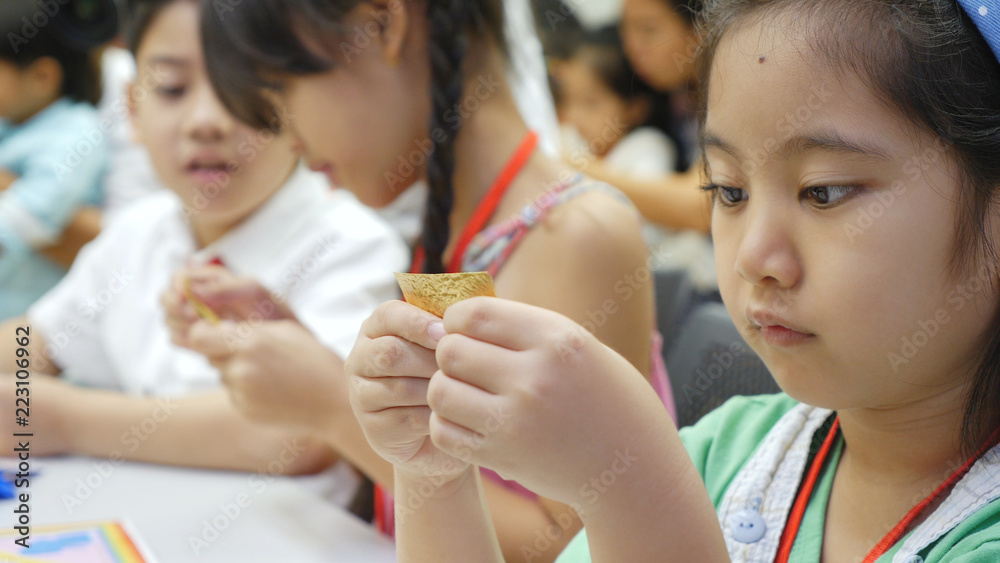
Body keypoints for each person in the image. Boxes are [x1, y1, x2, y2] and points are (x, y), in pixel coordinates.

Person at [346, 0, 1000, 560]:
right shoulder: (732, 452)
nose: (752, 256)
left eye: (823, 191)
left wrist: (631, 479)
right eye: (729, 190)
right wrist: (432, 470)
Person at [180, 0, 671, 558]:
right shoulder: (453, 226)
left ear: (384, 23)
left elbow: (573, 543)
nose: (289, 140)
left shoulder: (577, 236)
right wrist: (309, 358)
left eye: (283, 91)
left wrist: (334, 406)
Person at [0, 0, 407, 487]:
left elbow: (298, 434)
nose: (206, 121)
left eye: (242, 85)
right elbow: (33, 343)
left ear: (301, 99)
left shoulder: (352, 246)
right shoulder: (139, 233)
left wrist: (64, 420)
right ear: (132, 108)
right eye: (172, 88)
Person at [556, 25, 717, 289]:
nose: (576, 116)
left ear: (634, 108)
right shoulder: (577, 145)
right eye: (569, 102)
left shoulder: (647, 147)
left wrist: (574, 166)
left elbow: (678, 215)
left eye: (591, 103)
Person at [0, 0, 109, 320]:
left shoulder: (77, 132)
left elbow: (33, 216)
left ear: (42, 77)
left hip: (31, 317)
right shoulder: (11, 121)